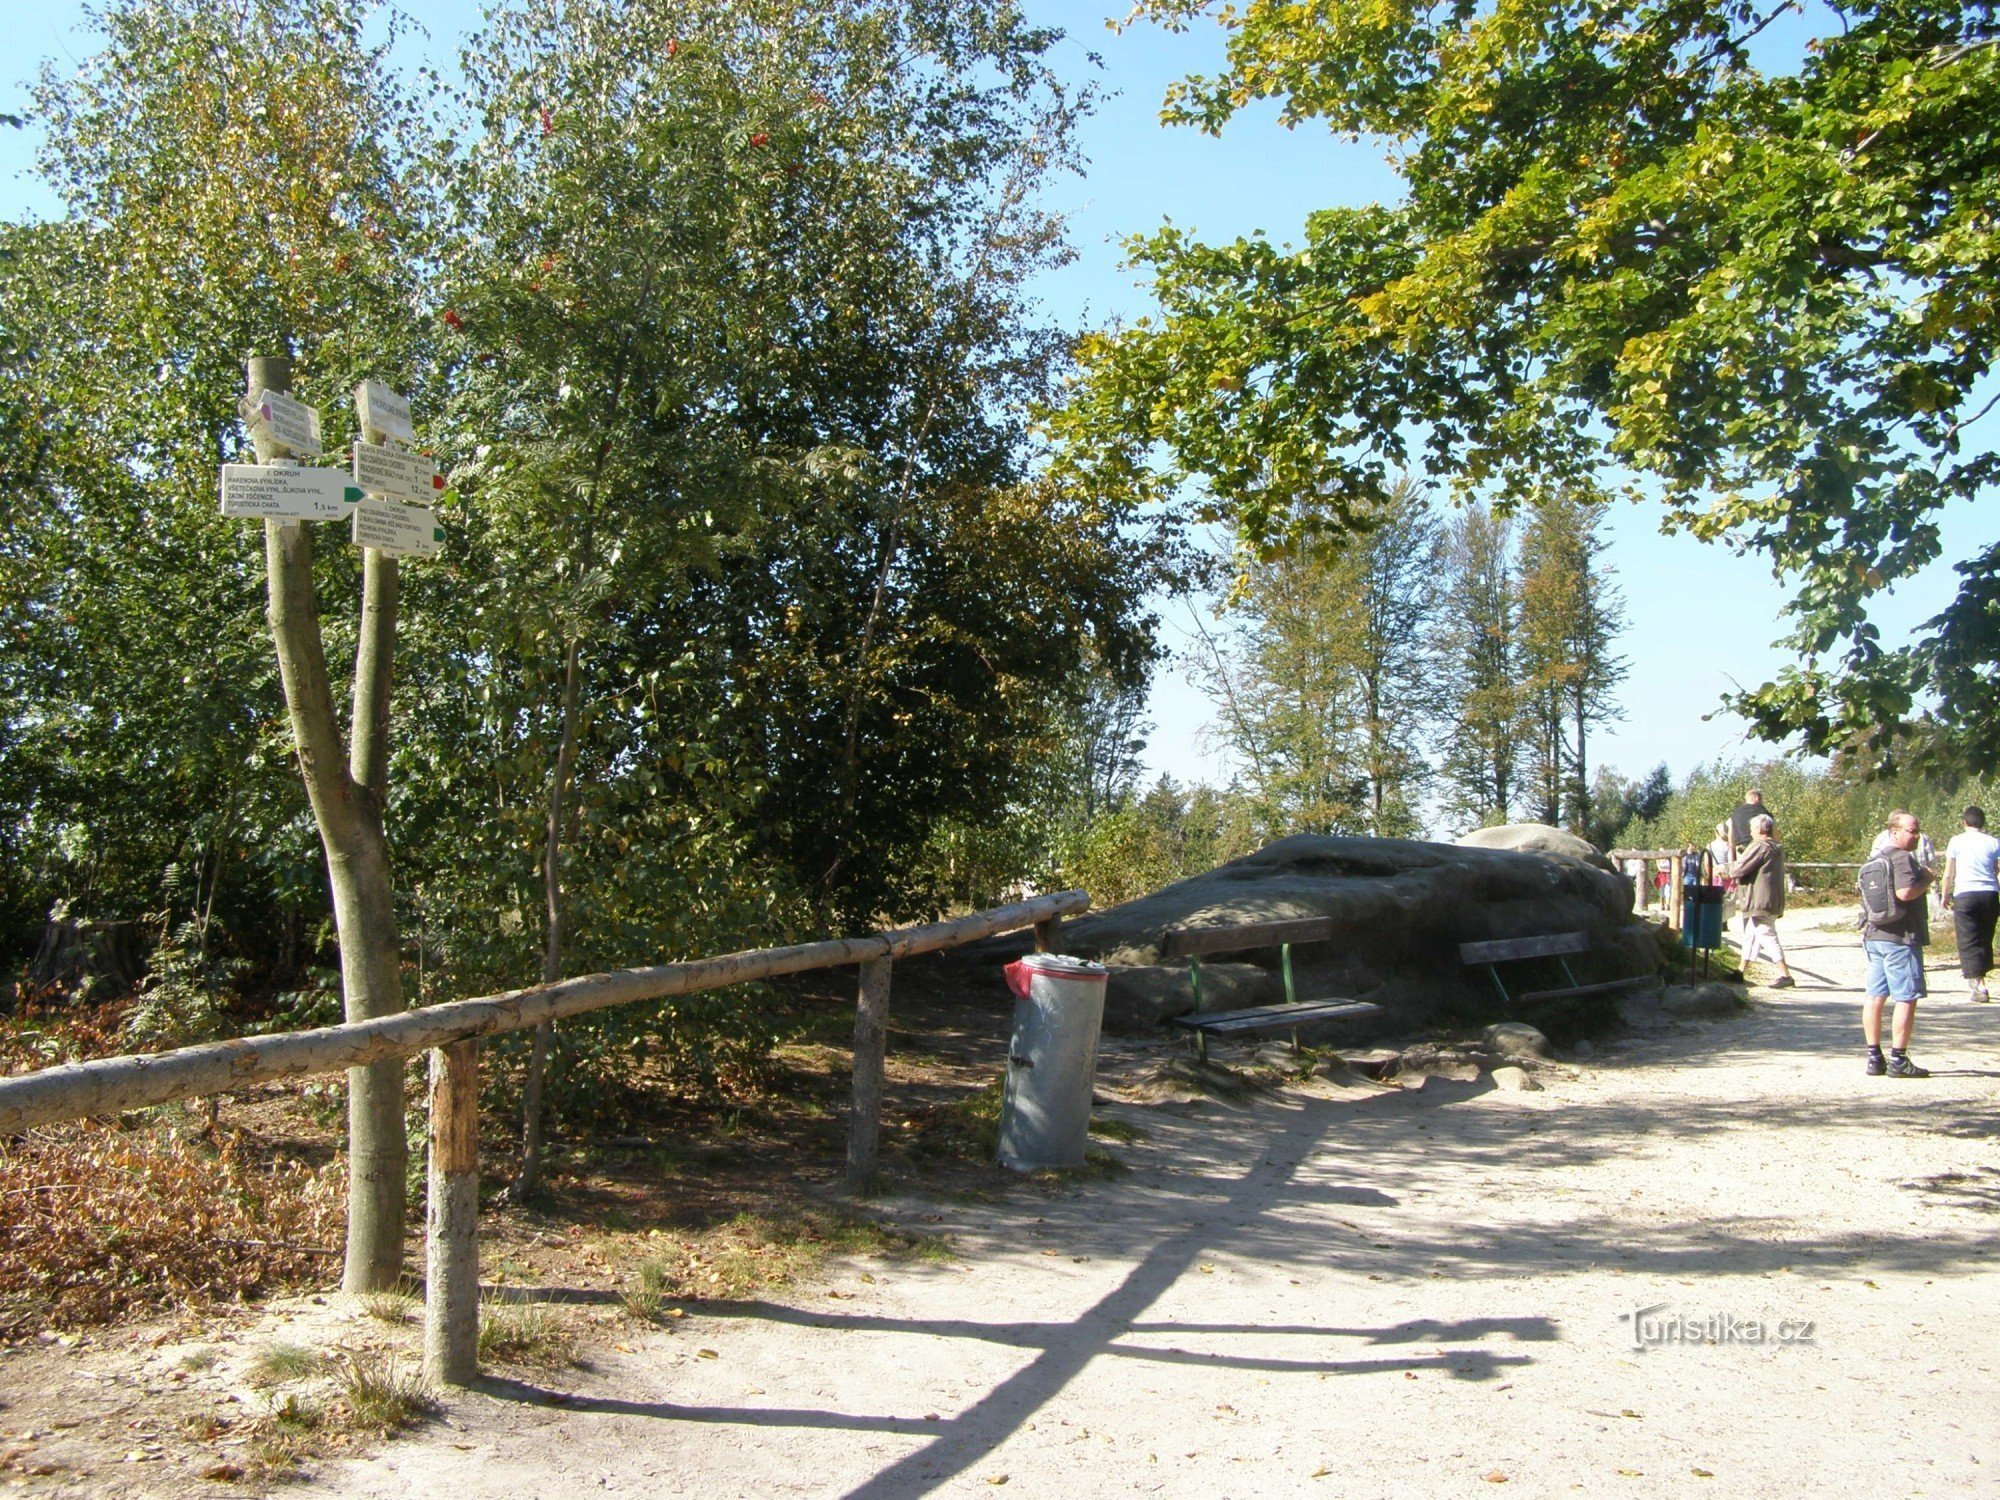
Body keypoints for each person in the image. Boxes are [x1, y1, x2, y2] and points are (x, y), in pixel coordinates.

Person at [1861, 811, 1933, 1078]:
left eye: (1917, 831)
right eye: (1912, 831)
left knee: (1874, 997)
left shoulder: (1876, 858)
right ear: (1895, 832)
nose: (1917, 836)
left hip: (1875, 935)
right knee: (1906, 997)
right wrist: (1926, 879)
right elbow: (1905, 893)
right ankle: (1899, 1059)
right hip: (1901, 939)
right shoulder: (1902, 858)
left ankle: (1874, 1057)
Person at [1941, 805, 1999, 1003]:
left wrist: (1944, 894)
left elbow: (1949, 872)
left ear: (1964, 822)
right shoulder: (1993, 842)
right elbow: (1997, 869)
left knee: (1968, 939)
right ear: (1982, 822)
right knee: (1985, 937)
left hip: (1965, 893)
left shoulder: (1956, 841)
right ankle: (1981, 977)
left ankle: (1978, 984)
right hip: (1989, 894)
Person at [1730, 813, 1794, 988]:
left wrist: (1726, 869)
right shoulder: (1775, 847)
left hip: (1760, 899)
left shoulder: (1759, 846)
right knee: (1751, 934)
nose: (1750, 832)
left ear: (1759, 829)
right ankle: (1740, 971)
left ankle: (1785, 974)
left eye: (1752, 828)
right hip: (1771, 898)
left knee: (1766, 934)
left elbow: (1739, 869)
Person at [1727, 788, 1767, 861]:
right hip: (1761, 850)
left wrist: (1733, 858)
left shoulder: (1736, 813)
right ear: (1757, 798)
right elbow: (1774, 834)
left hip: (1742, 850)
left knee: (1743, 871)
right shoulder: (1764, 813)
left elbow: (1731, 837)